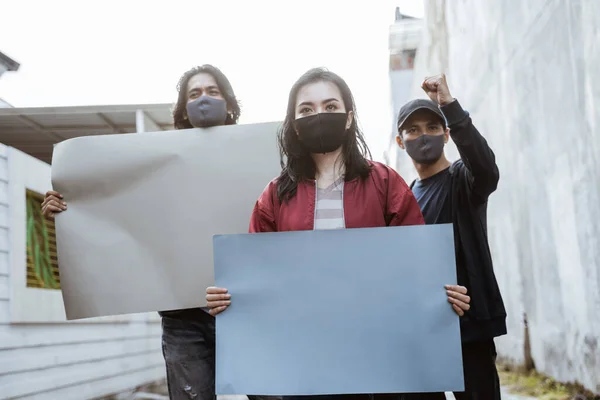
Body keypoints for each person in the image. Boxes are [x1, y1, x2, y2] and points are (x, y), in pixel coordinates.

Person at [205, 68, 473, 400]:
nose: (319, 115)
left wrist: (443, 295)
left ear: (348, 118)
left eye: (330, 107)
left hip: (380, 358)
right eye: (306, 110)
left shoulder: (386, 183)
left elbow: (416, 266)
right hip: (307, 362)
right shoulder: (273, 196)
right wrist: (230, 298)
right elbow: (256, 281)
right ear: (294, 124)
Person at [41, 64, 261, 400]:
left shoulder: (258, 157)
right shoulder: (157, 163)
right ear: (183, 110)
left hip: (248, 307)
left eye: (212, 92)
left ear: (229, 103)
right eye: (194, 94)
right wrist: (67, 209)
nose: (204, 98)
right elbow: (116, 210)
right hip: (183, 316)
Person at [395, 74, 507, 400]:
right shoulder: (405, 198)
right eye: (413, 130)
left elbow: (486, 168)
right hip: (422, 332)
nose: (423, 136)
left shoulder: (462, 178)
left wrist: (450, 106)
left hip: (468, 329)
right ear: (401, 141)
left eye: (432, 128)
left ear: (446, 135)